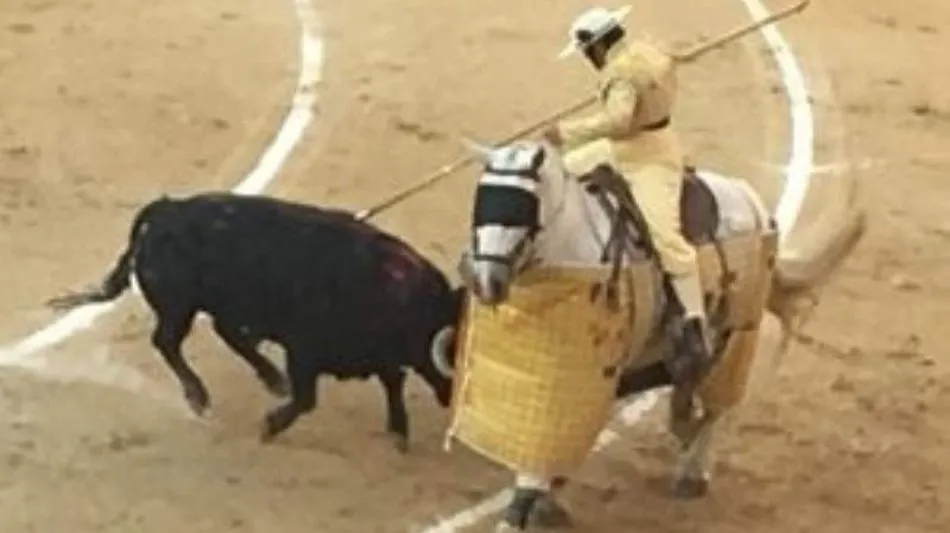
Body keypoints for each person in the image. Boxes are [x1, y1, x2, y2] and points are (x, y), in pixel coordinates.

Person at [541, 6, 711, 387]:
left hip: (649, 157)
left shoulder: (623, 75)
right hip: (624, 149)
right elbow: (678, 55)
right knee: (567, 170)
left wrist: (567, 130)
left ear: (596, 46)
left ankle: (696, 320)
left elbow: (619, 123)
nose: (587, 60)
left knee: (667, 239)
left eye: (586, 52)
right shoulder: (647, 50)